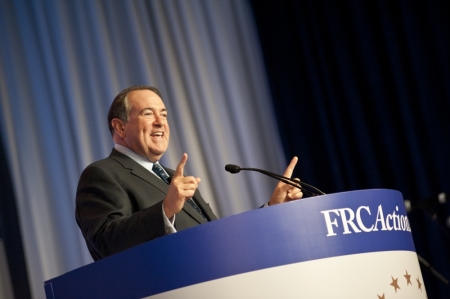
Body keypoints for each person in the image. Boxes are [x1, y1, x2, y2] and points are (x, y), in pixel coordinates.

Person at [75, 85, 303, 261]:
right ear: (120, 127)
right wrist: (165, 210)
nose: (160, 122)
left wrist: (272, 209)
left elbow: (218, 238)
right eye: (147, 113)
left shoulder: (173, 177)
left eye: (163, 114)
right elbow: (106, 242)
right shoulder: (101, 174)